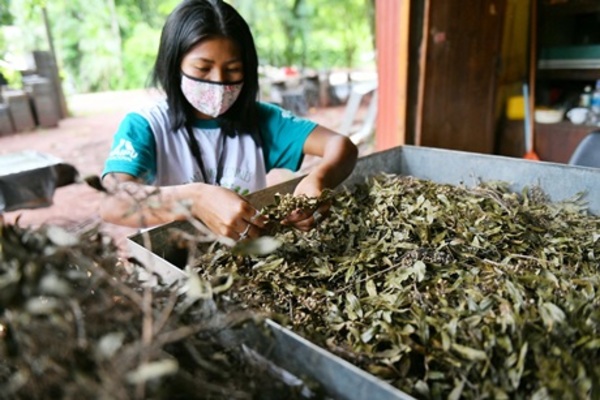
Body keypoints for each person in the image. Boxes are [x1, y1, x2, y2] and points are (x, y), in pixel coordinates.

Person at [99, 0, 358, 241]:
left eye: (233, 70)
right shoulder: (146, 126)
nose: (218, 82)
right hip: (174, 265)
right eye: (202, 68)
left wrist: (319, 180)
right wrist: (195, 199)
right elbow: (114, 202)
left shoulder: (260, 121)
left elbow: (340, 145)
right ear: (174, 64)